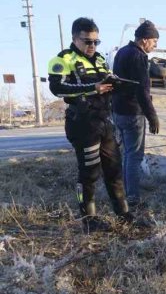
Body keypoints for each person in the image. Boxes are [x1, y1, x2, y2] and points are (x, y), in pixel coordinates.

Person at [48, 17, 137, 231]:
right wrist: (93, 88)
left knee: (114, 169)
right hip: (82, 123)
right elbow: (57, 89)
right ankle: (89, 220)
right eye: (87, 41)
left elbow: (107, 82)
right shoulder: (62, 59)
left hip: (104, 121)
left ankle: (124, 214)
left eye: (96, 42)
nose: (92, 46)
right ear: (74, 38)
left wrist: (118, 85)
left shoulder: (99, 59)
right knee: (89, 173)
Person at [112, 20, 161, 207]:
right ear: (145, 39)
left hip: (119, 111)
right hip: (133, 113)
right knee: (134, 156)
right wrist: (152, 116)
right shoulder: (138, 56)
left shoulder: (122, 52)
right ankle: (132, 197)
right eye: (154, 41)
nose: (155, 45)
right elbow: (141, 90)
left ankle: (124, 192)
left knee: (127, 155)